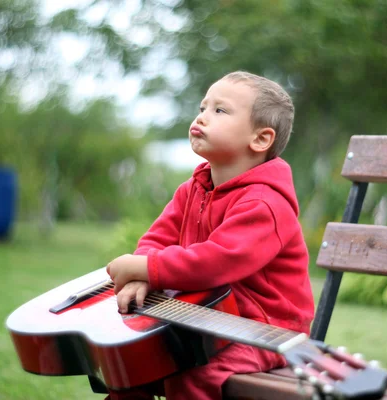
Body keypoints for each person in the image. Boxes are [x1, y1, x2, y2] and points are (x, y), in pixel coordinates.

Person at [106, 71, 315, 400]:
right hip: (207, 318)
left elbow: (216, 261)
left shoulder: (265, 203)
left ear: (260, 139)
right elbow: (158, 238)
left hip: (266, 330)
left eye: (220, 111)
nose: (202, 116)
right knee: (130, 361)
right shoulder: (193, 188)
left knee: (193, 370)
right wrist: (140, 277)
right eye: (203, 107)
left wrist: (145, 269)